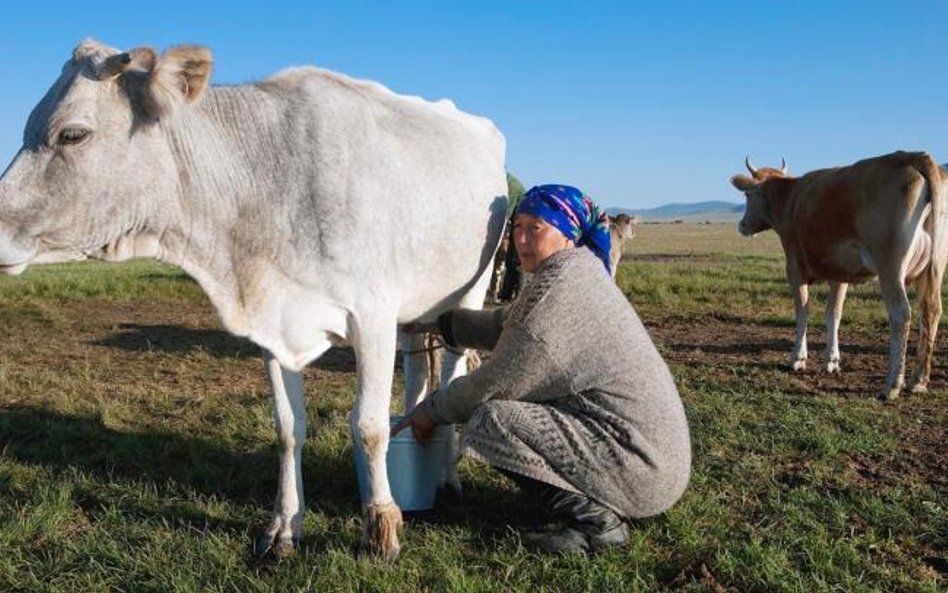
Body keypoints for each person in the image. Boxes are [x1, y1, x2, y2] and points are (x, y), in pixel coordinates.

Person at [394, 184, 692, 554]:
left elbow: (494, 383)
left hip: (642, 468)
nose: (521, 239)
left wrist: (429, 411)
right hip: (649, 457)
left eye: (535, 228)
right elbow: (509, 323)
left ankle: (597, 525)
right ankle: (601, 501)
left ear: (567, 235)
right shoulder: (576, 273)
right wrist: (440, 323)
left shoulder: (559, 293)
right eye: (516, 227)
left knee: (491, 420)